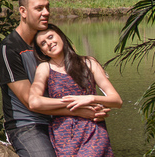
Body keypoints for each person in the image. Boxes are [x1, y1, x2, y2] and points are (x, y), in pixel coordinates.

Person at [0, 0, 107, 157]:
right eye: (39, 8)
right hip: (28, 125)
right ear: (23, 11)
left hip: (58, 119)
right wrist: (78, 110)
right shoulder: (9, 49)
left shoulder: (47, 44)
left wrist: (93, 106)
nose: (46, 12)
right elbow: (30, 102)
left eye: (47, 7)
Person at [28, 24, 122, 157]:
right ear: (43, 52)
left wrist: (90, 98)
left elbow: (116, 100)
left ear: (61, 36)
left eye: (50, 37)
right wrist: (72, 103)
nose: (49, 43)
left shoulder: (88, 63)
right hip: (63, 134)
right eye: (43, 43)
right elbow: (34, 102)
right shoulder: (45, 68)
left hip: (93, 129)